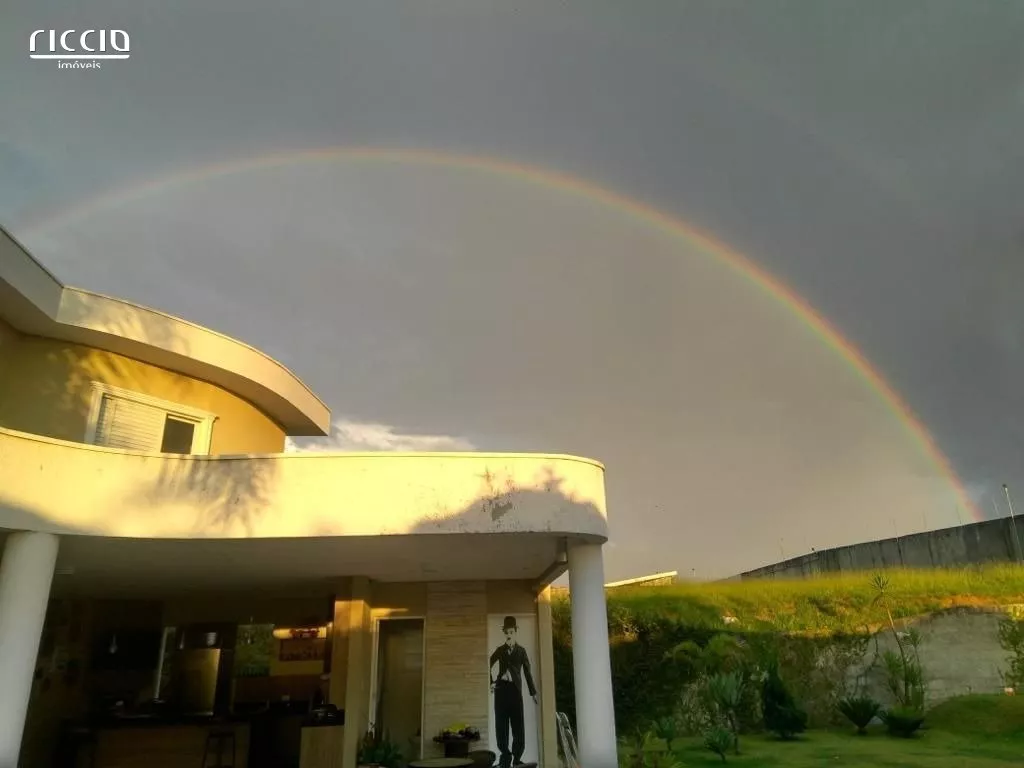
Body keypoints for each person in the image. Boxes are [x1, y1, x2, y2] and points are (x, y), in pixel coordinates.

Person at [489, 616, 537, 768]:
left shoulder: (521, 651)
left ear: (516, 632)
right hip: (501, 690)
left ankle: (517, 758)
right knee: (501, 725)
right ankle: (505, 755)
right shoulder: (500, 650)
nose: (509, 634)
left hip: (515, 691)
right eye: (506, 632)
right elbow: (487, 664)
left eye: (511, 631)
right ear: (504, 633)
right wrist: (491, 682)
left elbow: (528, 673)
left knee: (518, 726)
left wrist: (533, 692)